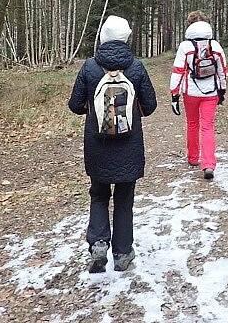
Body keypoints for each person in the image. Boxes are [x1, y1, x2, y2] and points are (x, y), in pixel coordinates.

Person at [68, 15, 157, 274]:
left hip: (97, 145)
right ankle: (122, 253)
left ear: (103, 37)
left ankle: (97, 244)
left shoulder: (90, 67)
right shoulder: (137, 67)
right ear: (126, 38)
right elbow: (150, 107)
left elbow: (75, 105)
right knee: (124, 198)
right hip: (129, 145)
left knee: (98, 194)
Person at [169, 11, 228, 180]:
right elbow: (222, 71)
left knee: (192, 123)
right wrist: (222, 90)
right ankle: (208, 164)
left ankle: (193, 157)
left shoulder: (185, 47)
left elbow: (178, 72)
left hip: (191, 93)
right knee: (207, 126)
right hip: (211, 93)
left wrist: (175, 95)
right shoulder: (215, 46)